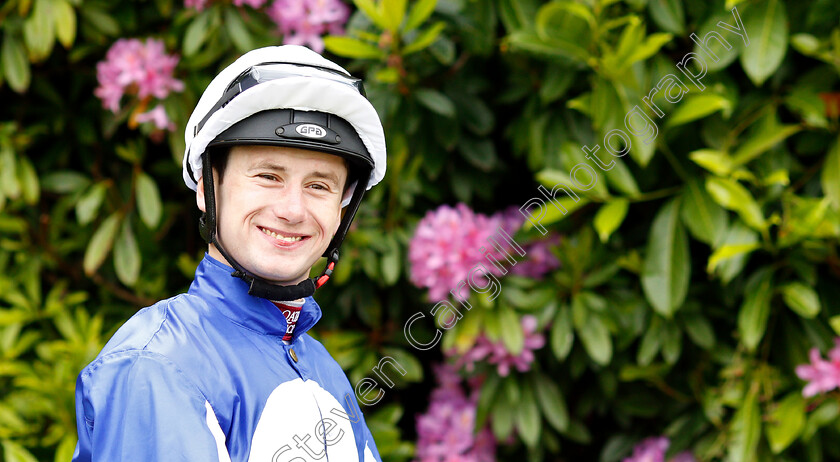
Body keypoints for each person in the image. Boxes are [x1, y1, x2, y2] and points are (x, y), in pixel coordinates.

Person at [72, 45, 387, 461]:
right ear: (207, 188)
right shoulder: (159, 366)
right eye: (268, 176)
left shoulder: (321, 367)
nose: (292, 210)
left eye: (319, 185)